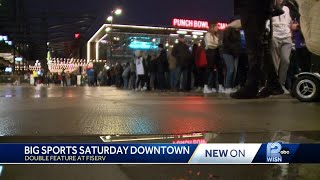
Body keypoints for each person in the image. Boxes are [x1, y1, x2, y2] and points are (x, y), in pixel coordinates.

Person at [231, 0, 284, 99]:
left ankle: (252, 87)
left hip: (251, 6)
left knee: (254, 48)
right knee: (260, 46)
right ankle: (273, 83)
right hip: (260, 7)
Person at [267, 0, 293, 94]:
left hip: (286, 37)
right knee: (274, 64)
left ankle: (281, 85)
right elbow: (267, 22)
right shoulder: (270, 8)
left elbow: (288, 23)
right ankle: (273, 85)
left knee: (286, 60)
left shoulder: (286, 8)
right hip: (274, 36)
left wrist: (291, 35)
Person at [222, 20, 242, 94]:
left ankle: (231, 86)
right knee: (231, 69)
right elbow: (226, 42)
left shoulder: (237, 31)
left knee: (234, 70)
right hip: (228, 53)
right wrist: (234, 48)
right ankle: (227, 87)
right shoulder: (228, 29)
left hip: (235, 53)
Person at [204, 24, 220, 94]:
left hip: (215, 53)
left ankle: (212, 87)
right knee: (208, 70)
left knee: (213, 70)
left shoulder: (215, 35)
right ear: (212, 28)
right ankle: (205, 86)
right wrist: (216, 44)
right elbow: (210, 44)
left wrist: (215, 44)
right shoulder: (208, 34)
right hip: (210, 53)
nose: (217, 28)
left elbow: (216, 43)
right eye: (216, 27)